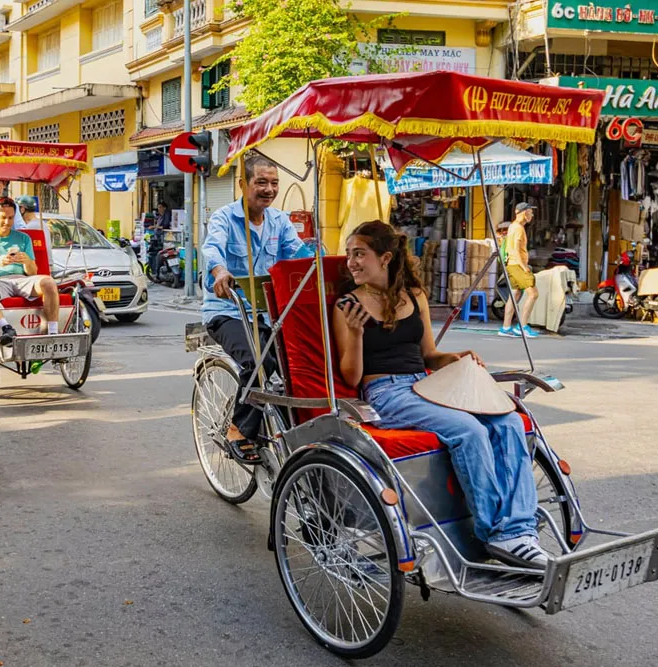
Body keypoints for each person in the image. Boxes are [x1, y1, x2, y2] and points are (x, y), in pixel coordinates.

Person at [333, 220, 548, 569]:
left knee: (507, 421)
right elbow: (352, 376)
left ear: (385, 258)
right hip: (384, 390)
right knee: (469, 430)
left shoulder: (414, 296)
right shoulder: (348, 305)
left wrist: (457, 358)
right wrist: (357, 334)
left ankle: (520, 533)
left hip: (426, 381)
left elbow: (430, 355)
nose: (351, 263)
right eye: (349, 255)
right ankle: (495, 534)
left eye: (359, 254)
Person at [201, 154, 311, 464]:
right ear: (243, 184)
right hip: (228, 311)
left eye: (274, 183)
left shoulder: (279, 221)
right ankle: (238, 428)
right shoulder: (224, 218)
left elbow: (298, 257)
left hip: (268, 313)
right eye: (261, 182)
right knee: (260, 364)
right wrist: (219, 271)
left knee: (298, 364)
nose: (269, 189)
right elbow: (212, 249)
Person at [0, 197, 60, 346]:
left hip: (22, 279)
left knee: (49, 282)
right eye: (3, 218)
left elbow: (32, 273)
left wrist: (27, 261)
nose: (7, 222)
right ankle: (6, 327)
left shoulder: (24, 238)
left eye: (11, 218)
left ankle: (53, 332)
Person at [499, 202, 540, 338]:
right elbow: (515, 249)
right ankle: (522, 326)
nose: (532, 215)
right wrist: (524, 267)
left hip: (512, 264)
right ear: (524, 212)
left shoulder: (513, 226)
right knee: (533, 293)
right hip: (517, 264)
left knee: (515, 294)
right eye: (530, 212)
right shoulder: (518, 228)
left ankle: (505, 327)